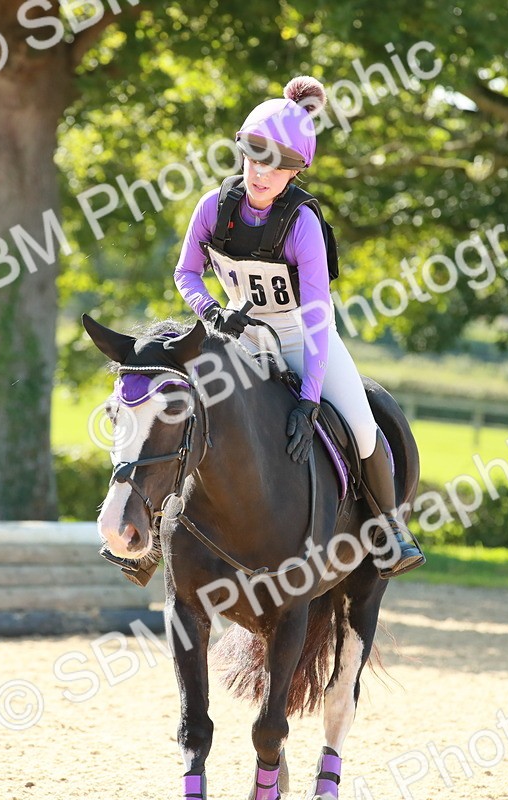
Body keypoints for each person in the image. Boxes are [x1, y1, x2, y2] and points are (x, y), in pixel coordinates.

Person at [173, 76, 425, 578]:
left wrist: (310, 397)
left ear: (295, 171)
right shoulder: (212, 207)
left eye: (278, 165)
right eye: (255, 156)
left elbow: (316, 318)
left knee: (361, 425)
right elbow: (185, 273)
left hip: (300, 339)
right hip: (239, 339)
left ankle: (389, 528)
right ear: (242, 152)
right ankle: (155, 530)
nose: (262, 173)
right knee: (177, 408)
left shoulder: (303, 224)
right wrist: (211, 311)